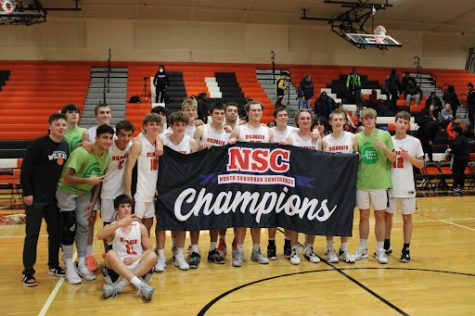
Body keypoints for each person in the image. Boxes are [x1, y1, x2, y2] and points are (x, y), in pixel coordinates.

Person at [57, 124, 113, 284]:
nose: (108, 141)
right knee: (70, 227)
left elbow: (98, 182)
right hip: (67, 191)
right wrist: (88, 180)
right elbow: (65, 178)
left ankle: (81, 263)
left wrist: (93, 201)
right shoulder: (82, 153)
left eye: (110, 138)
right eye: (104, 137)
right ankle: (68, 265)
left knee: (84, 226)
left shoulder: (107, 156)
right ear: (96, 138)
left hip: (84, 193)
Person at [21, 113, 69, 287]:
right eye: (58, 124)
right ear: (50, 126)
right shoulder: (38, 144)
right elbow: (25, 170)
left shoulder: (65, 145)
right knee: (32, 234)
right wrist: (27, 192)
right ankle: (28, 272)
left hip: (55, 199)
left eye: (64, 125)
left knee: (55, 233)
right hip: (35, 198)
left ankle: (53, 265)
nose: (61, 127)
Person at [229, 101, 274, 267]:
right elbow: (229, 153)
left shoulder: (268, 131)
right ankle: (238, 251)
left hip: (262, 181)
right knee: (241, 217)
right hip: (241, 182)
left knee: (258, 216)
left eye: (259, 110)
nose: (256, 112)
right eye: (253, 110)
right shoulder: (239, 130)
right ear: (247, 112)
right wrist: (231, 142)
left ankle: (256, 250)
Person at [353, 108, 396, 264]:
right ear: (362, 121)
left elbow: (393, 158)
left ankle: (380, 250)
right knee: (363, 216)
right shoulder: (357, 137)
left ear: (375, 120)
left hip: (380, 183)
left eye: (371, 118)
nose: (369, 121)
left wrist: (383, 148)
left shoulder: (385, 136)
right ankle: (363, 249)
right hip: (362, 183)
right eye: (366, 118)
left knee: (380, 216)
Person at [96, 194, 156, 300]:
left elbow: (149, 249)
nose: (127, 209)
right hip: (119, 266)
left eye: (128, 206)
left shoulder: (140, 227)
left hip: (137, 265)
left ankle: (119, 286)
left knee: (152, 255)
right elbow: (99, 236)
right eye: (123, 206)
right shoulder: (112, 227)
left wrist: (139, 258)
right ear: (117, 210)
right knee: (109, 254)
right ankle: (140, 284)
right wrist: (119, 224)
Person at [162, 112, 200, 270]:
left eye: (182, 125)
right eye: (176, 124)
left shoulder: (191, 142)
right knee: (165, 221)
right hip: (165, 186)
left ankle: (179, 254)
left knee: (182, 221)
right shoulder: (162, 141)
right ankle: (162, 254)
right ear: (171, 126)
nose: (179, 127)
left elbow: (197, 166)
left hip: (184, 187)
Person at [385, 111, 424, 263]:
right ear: (395, 122)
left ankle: (406, 248)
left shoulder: (415, 142)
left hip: (407, 185)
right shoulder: (388, 140)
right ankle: (386, 245)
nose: (402, 124)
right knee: (388, 217)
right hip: (390, 185)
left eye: (405, 122)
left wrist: (409, 157)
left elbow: (421, 165)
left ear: (408, 125)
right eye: (399, 121)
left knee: (407, 218)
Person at [193, 103, 230, 265]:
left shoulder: (228, 134)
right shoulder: (202, 130)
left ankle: (213, 249)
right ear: (210, 114)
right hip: (201, 178)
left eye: (222, 113)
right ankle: (194, 249)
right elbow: (191, 151)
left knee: (215, 214)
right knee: (195, 214)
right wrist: (201, 147)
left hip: (219, 180)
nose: (220, 116)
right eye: (217, 113)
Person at [284, 110, 321, 265]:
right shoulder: (292, 137)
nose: (305, 121)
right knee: (295, 218)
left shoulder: (318, 139)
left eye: (308, 118)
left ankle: (309, 248)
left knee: (311, 216)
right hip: (296, 183)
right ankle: (293, 249)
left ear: (311, 121)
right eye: (302, 118)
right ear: (297, 121)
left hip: (313, 183)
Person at [322, 109, 358, 263]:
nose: (337, 122)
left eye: (340, 120)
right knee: (329, 216)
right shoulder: (325, 140)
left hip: (347, 184)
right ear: (330, 122)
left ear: (345, 122)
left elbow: (357, 158)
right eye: (335, 120)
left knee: (345, 216)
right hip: (330, 184)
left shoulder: (352, 138)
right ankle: (330, 248)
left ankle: (344, 249)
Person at [81, 103, 113, 272]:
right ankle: (89, 253)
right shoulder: (89, 132)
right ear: (96, 116)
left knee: (110, 221)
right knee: (90, 218)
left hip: (109, 183)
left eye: (107, 112)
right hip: (92, 181)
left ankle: (110, 254)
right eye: (101, 112)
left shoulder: (115, 133)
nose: (105, 115)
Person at [99, 120, 134, 253]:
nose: (125, 138)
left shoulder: (130, 145)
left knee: (125, 225)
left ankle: (122, 253)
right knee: (108, 224)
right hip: (108, 192)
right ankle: (108, 253)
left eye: (128, 135)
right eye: (122, 135)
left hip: (123, 192)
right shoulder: (108, 147)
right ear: (116, 135)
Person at [124, 114, 162, 236]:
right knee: (135, 224)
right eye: (151, 124)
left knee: (149, 223)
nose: (155, 127)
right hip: (139, 191)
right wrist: (127, 191)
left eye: (157, 124)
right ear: (144, 126)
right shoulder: (138, 144)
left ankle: (143, 251)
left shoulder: (159, 143)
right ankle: (133, 252)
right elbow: (129, 168)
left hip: (152, 192)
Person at [269, 107, 297, 259]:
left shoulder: (294, 131)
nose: (284, 117)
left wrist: (315, 133)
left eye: (286, 115)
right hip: (272, 177)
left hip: (290, 177)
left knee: (288, 212)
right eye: (281, 115)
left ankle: (287, 243)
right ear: (275, 118)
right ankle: (271, 243)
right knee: (272, 212)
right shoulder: (269, 132)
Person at [449, 125, 470, 195]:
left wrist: (451, 151)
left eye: (454, 131)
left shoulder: (458, 138)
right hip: (465, 158)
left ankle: (455, 187)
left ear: (457, 132)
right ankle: (461, 187)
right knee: (461, 172)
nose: (453, 133)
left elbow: (457, 146)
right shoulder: (465, 138)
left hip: (459, 158)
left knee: (456, 172)